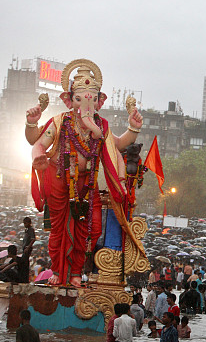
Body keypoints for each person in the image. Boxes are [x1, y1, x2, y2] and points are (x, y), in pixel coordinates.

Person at [27, 59, 144, 286]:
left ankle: (75, 273)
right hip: (60, 180)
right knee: (59, 231)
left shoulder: (102, 127)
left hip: (87, 185)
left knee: (90, 230)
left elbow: (117, 145)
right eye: (80, 100)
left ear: (100, 102)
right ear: (69, 100)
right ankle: (58, 272)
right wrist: (34, 141)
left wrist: (134, 128)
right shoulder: (61, 121)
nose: (85, 107)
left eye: (91, 100)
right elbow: (37, 143)